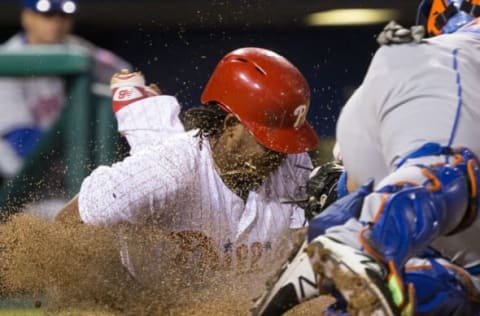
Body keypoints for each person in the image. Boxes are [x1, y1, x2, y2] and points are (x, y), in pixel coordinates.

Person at [250, 1, 480, 315]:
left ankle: (346, 229)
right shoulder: (462, 46)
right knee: (449, 172)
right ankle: (360, 240)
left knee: (448, 294)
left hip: (399, 119)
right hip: (441, 77)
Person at [55, 47, 320, 289]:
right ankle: (143, 110)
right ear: (230, 126)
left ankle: (147, 109)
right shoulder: (167, 170)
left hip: (226, 291)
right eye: (270, 141)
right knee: (167, 163)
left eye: (288, 142)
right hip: (144, 289)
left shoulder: (293, 163)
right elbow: (70, 222)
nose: (281, 153)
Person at [0, 0, 131, 181]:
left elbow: (126, 74)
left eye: (63, 16)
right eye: (47, 16)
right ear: (27, 17)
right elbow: (21, 141)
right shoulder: (7, 61)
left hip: (69, 174)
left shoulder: (78, 49)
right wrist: (82, 148)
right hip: (22, 183)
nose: (56, 23)